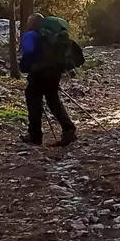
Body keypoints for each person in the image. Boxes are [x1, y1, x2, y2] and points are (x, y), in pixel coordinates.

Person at [19, 11, 79, 147]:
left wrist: (24, 67)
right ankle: (68, 129)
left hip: (39, 73)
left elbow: (28, 54)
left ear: (32, 23)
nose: (27, 24)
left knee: (33, 99)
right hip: (55, 70)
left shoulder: (30, 35)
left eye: (29, 22)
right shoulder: (51, 35)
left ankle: (35, 136)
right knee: (53, 99)